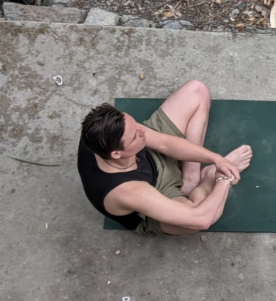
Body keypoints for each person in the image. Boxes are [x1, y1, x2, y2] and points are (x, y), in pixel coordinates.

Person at [77, 80, 252, 236]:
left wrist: (217, 159)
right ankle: (207, 177)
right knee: (194, 221)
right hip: (152, 193)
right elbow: (202, 220)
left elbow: (164, 144)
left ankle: (191, 177)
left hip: (148, 156)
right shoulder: (127, 191)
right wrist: (224, 178)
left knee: (197, 90)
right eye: (135, 135)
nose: (142, 130)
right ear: (116, 153)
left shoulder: (107, 131)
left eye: (135, 125)